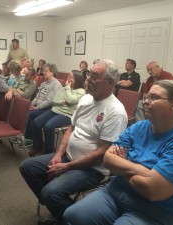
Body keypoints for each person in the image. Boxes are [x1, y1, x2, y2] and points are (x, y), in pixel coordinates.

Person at [63, 80, 173, 225]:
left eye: (153, 97)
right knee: (73, 215)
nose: (145, 101)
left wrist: (121, 167)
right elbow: (108, 158)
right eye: (146, 97)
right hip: (119, 192)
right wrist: (143, 170)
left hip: (160, 211)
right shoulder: (139, 127)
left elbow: (153, 190)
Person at [19, 59, 128, 225]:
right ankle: (59, 209)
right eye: (89, 73)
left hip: (91, 169)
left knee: (50, 193)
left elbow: (102, 153)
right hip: (67, 157)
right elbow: (70, 129)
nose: (88, 78)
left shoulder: (116, 111)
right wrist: (58, 154)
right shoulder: (85, 99)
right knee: (27, 167)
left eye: (94, 76)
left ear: (110, 82)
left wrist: (66, 167)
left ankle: (67, 216)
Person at [27, 70, 85, 157]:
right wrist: (62, 102)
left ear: (78, 79)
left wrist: (68, 89)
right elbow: (54, 100)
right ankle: (38, 146)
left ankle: (49, 152)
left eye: (71, 77)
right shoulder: (64, 88)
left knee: (48, 126)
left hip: (67, 115)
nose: (68, 78)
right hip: (55, 110)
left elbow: (70, 100)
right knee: (36, 122)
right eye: (68, 76)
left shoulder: (81, 91)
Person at [21, 63, 62, 148]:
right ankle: (30, 139)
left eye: (46, 71)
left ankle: (36, 143)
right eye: (43, 71)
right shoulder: (43, 83)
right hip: (39, 108)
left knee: (31, 116)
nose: (43, 72)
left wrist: (36, 108)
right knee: (27, 113)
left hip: (48, 109)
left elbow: (49, 101)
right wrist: (31, 105)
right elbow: (37, 97)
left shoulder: (56, 84)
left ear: (52, 72)